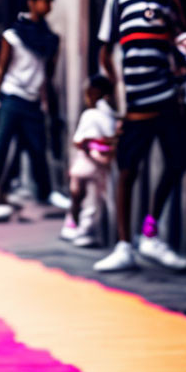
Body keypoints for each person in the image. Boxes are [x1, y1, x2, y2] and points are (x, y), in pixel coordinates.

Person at [93, 0, 186, 272]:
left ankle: (150, 234)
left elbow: (185, 45)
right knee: (128, 170)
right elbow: (105, 49)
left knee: (179, 161)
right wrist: (119, 94)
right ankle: (124, 245)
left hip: (169, 100)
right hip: (135, 104)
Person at [0, 0, 62, 213]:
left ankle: (46, 192)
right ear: (32, 2)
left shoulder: (49, 39)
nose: (49, 4)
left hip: (33, 100)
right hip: (12, 96)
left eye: (50, 0)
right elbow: (1, 66)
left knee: (38, 147)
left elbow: (48, 72)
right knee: (3, 145)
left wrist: (45, 98)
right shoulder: (13, 35)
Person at [60, 74, 118, 247]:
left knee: (82, 198)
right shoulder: (107, 115)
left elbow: (78, 140)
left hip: (87, 163)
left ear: (94, 93)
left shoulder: (92, 114)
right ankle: (84, 230)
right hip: (95, 163)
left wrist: (91, 147)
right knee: (91, 201)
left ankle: (78, 227)